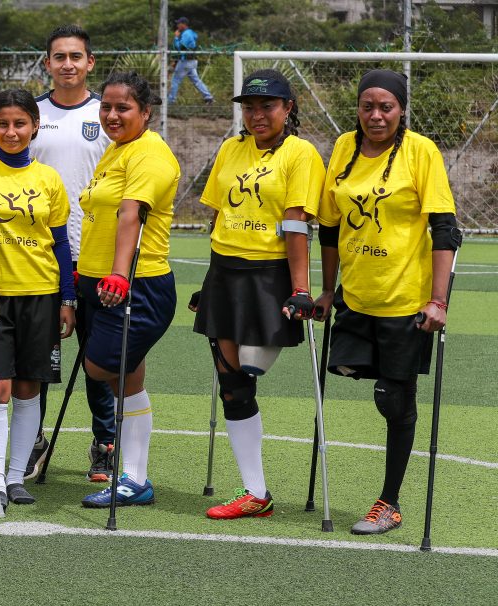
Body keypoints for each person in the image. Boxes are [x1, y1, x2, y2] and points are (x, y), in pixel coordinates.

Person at [315, 69, 460, 535]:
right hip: (356, 298)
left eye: (386, 107)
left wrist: (438, 301)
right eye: (367, 106)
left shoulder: (421, 151)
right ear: (357, 109)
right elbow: (330, 227)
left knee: (392, 399)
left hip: (405, 300)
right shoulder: (344, 147)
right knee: (347, 370)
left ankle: (389, 504)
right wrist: (327, 290)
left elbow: (444, 227)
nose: (376, 115)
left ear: (401, 110)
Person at [190, 69, 325, 520]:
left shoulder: (301, 153)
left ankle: (256, 491)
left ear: (288, 109)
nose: (257, 115)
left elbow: (296, 222)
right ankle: (255, 492)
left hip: (268, 275)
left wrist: (301, 289)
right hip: (224, 272)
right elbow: (217, 217)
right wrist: (209, 281)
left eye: (267, 106)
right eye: (249, 107)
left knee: (251, 365)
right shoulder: (231, 148)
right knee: (233, 387)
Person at [77, 72, 180, 509]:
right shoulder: (115, 150)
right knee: (125, 377)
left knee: (101, 367)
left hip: (137, 283)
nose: (112, 115)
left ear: (146, 112)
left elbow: (130, 213)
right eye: (106, 107)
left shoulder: (150, 153)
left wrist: (119, 276)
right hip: (99, 283)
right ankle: (135, 478)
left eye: (124, 108)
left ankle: (133, 475)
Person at [0, 88, 75, 513]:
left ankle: (16, 477)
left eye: (20, 124)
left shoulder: (49, 178)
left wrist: (67, 298)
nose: (11, 132)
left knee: (28, 388)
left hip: (41, 293)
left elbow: (60, 242)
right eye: (3, 124)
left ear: (35, 126)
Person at [29, 24, 118, 484]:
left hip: (95, 258)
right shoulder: (30, 114)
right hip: (39, 258)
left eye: (75, 56)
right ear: (47, 63)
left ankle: (105, 444)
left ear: (90, 62)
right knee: (38, 359)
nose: (67, 64)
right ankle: (32, 441)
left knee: (97, 359)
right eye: (59, 56)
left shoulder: (108, 116)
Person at [167, 17, 214, 105]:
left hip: (185, 61)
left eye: (179, 23)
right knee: (196, 80)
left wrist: (176, 38)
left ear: (183, 24)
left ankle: (170, 101)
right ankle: (208, 97)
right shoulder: (190, 33)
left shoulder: (186, 34)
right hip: (191, 61)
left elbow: (180, 47)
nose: (177, 25)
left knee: (175, 80)